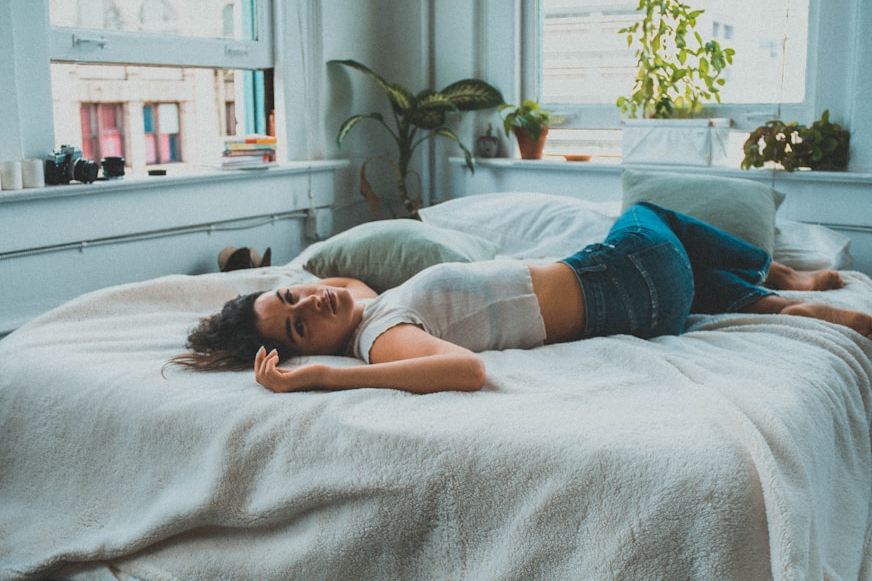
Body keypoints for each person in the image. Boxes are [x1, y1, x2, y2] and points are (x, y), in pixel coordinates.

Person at [172, 202, 872, 395]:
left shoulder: (363, 303)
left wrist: (285, 296)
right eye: (298, 327)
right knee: (653, 213)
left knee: (688, 274)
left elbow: (338, 284)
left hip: (651, 307)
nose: (310, 305)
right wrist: (323, 376)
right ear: (313, 351)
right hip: (624, 278)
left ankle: (771, 305)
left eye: (294, 293)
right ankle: (782, 277)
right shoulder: (380, 337)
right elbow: (467, 371)